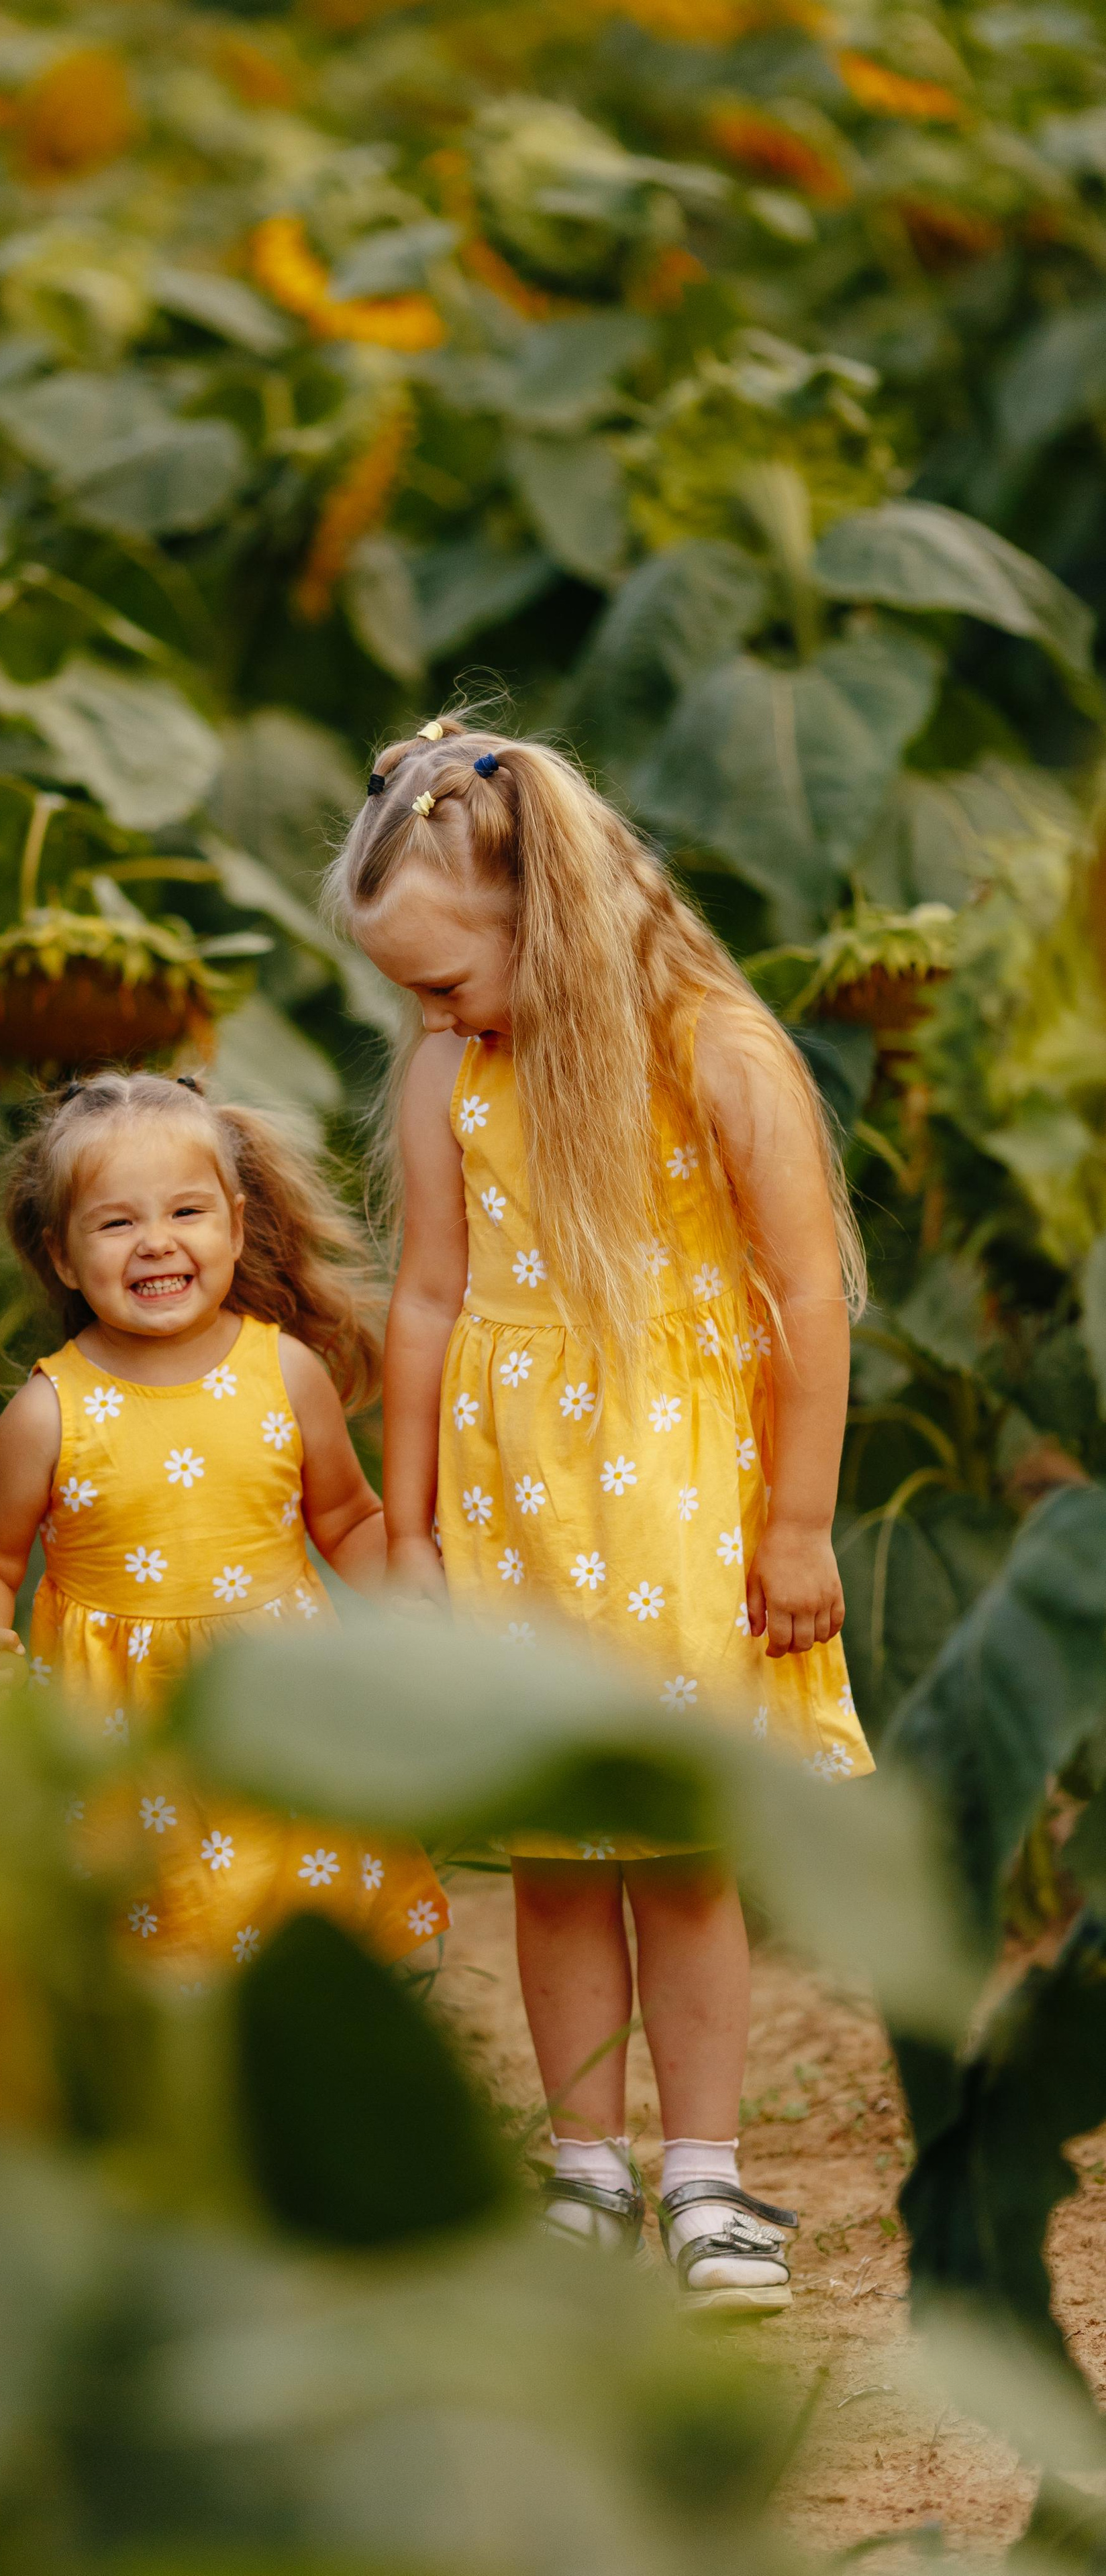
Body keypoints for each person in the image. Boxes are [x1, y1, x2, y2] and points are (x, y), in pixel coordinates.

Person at [328, 718, 872, 2314]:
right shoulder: (452, 1072)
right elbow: (427, 1296)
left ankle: (703, 2184)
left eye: (440, 980)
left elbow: (803, 1299)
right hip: (517, 1509)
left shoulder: (712, 1050)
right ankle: (583, 2177)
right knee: (559, 1855)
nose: (423, 1015)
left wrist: (797, 1525)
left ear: (543, 921)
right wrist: (415, 1532)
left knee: (681, 1852)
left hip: (685, 1508)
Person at [0, 1069, 450, 1982]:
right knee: (162, 1939)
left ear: (237, 1225)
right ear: (61, 1255)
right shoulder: (49, 1413)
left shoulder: (285, 1374)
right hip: (126, 1732)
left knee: (300, 1918)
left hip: (277, 1702)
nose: (155, 1244)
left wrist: (415, 1602)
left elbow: (346, 1515)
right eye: (116, 1222)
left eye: (185, 1213)